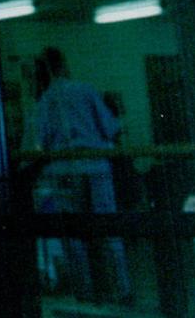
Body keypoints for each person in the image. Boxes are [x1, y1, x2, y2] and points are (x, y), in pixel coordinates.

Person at [35, 46, 132, 303]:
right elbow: (111, 128)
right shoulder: (85, 90)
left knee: (73, 233)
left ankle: (84, 292)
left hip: (63, 170)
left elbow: (40, 142)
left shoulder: (45, 100)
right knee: (107, 226)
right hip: (96, 167)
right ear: (64, 65)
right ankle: (121, 289)